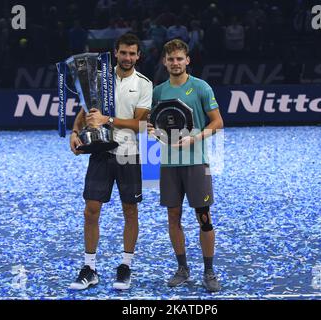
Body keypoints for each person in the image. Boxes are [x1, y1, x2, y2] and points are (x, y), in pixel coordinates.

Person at [69, 33, 153, 291]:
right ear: (115, 53)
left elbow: (141, 123)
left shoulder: (144, 84)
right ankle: (89, 268)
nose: (128, 58)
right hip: (100, 151)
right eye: (123, 53)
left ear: (138, 56)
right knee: (91, 209)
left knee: (130, 211)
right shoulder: (99, 78)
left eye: (132, 53)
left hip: (129, 152)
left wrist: (108, 120)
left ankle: (125, 266)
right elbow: (86, 110)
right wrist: (75, 132)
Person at [147, 39, 224, 292]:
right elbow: (153, 124)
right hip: (169, 164)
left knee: (203, 218)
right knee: (173, 217)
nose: (176, 63)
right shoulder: (158, 92)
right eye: (171, 59)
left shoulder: (201, 87)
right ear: (164, 62)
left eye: (180, 58)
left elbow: (217, 122)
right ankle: (182, 268)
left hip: (196, 162)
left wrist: (195, 137)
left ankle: (209, 271)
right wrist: (151, 132)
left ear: (187, 60)